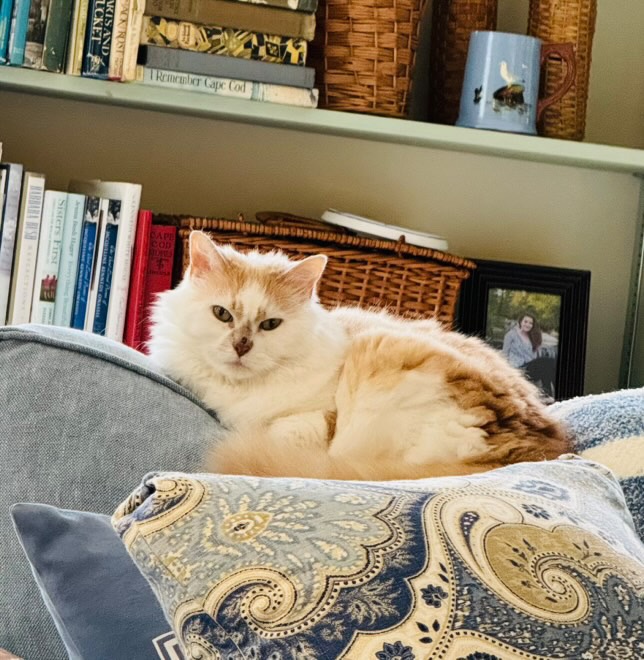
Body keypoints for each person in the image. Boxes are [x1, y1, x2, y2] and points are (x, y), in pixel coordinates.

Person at [502, 312, 556, 399]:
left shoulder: (532, 336)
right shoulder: (511, 335)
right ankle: (548, 393)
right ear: (520, 322)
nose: (528, 324)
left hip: (530, 367)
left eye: (531, 323)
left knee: (549, 365)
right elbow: (504, 353)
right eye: (525, 322)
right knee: (548, 361)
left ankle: (548, 394)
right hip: (518, 369)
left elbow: (533, 357)